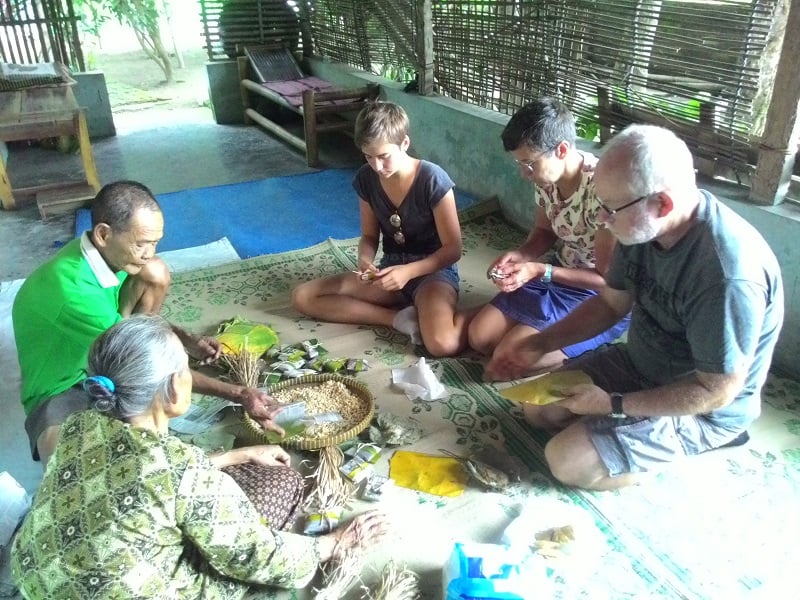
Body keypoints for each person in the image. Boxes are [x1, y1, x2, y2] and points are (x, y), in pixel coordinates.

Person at [488, 124, 784, 491]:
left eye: (610, 210)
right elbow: (611, 305)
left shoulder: (725, 275)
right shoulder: (640, 225)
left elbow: (716, 391)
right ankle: (628, 435)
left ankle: (685, 444)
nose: (601, 220)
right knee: (538, 409)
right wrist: (538, 344)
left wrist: (613, 404)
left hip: (703, 406)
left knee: (566, 461)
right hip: (640, 363)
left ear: (663, 204)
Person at [11, 314, 389, 598]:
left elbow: (149, 481)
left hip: (37, 577)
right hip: (124, 590)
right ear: (175, 388)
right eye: (185, 369)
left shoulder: (79, 425)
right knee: (281, 485)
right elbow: (255, 555)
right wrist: (336, 542)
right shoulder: (181, 470)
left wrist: (235, 456)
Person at [12, 180, 283, 467]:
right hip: (64, 387)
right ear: (103, 234)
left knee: (154, 272)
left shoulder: (97, 253)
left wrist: (185, 337)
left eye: (155, 242)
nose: (149, 252)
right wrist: (240, 393)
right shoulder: (73, 294)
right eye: (141, 244)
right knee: (76, 465)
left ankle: (137, 359)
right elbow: (149, 359)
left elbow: (141, 327)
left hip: (106, 352)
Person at [292, 101, 474, 356]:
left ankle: (463, 314)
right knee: (304, 296)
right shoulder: (366, 178)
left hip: (432, 273)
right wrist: (365, 262)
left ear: (405, 144)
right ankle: (397, 319)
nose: (377, 166)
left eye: (384, 156)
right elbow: (369, 235)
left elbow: (453, 249)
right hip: (389, 274)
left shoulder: (433, 179)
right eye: (368, 156)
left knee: (442, 344)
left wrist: (409, 272)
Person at [470, 98, 629, 381]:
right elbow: (544, 232)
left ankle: (591, 346)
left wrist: (541, 272)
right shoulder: (547, 181)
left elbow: (607, 280)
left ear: (562, 149)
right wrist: (522, 256)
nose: (523, 173)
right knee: (479, 337)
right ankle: (540, 332)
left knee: (508, 356)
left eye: (529, 164)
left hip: (599, 296)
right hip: (557, 275)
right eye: (520, 163)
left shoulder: (603, 193)